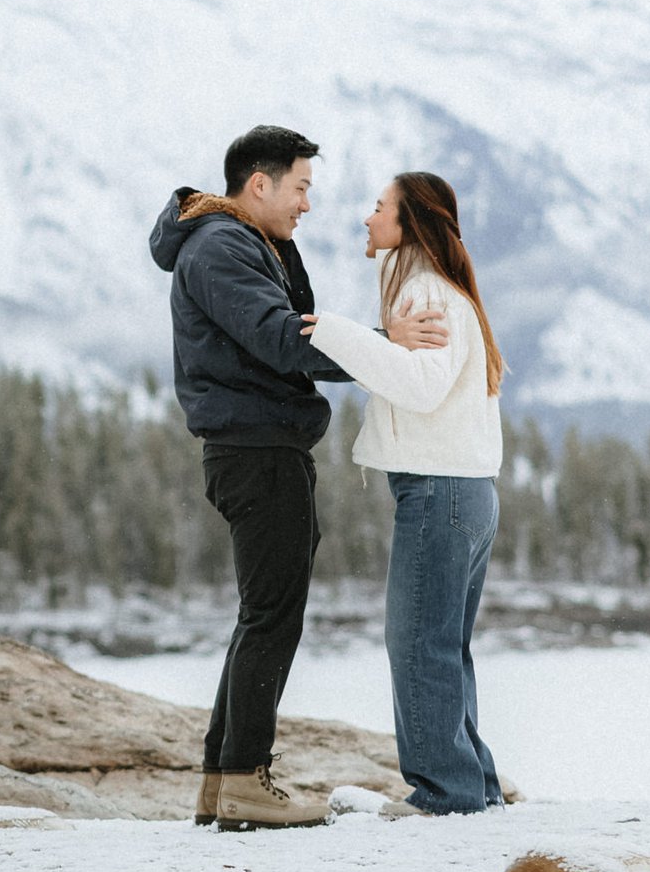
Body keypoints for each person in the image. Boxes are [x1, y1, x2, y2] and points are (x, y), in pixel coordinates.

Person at [150, 126, 446, 831]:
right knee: (272, 616)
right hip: (257, 450)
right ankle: (245, 780)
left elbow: (287, 329)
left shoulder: (240, 242)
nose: (307, 204)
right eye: (301, 187)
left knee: (262, 612)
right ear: (261, 184)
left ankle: (223, 781)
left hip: (256, 447)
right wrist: (383, 346)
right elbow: (282, 336)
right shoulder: (223, 247)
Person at [301, 171, 506, 816]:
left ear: (409, 221)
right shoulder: (432, 287)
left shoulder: (426, 291)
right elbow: (412, 375)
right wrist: (383, 337)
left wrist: (333, 331)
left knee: (418, 644)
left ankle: (445, 796)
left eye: (379, 206)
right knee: (443, 647)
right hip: (461, 491)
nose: (367, 218)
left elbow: (420, 387)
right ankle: (473, 787)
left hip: (440, 492)